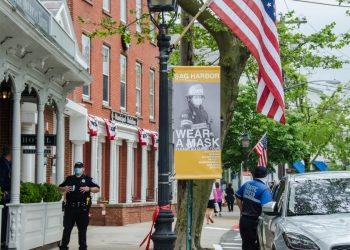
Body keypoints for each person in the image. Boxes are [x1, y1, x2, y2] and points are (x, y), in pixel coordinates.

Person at [59, 162, 100, 250]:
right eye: (76, 167)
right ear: (74, 168)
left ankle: (83, 247)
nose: (78, 169)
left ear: (83, 169)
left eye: (79, 167)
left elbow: (97, 189)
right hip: (70, 208)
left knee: (82, 229)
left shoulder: (88, 179)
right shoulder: (69, 179)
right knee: (67, 228)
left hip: (83, 209)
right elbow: (59, 188)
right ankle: (63, 247)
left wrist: (88, 188)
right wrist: (64, 188)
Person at [235, 166, 272, 250]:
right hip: (255, 222)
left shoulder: (247, 184)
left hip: (244, 220)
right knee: (254, 246)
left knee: (246, 245)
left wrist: (242, 210)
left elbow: (237, 196)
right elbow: (267, 208)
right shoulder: (265, 190)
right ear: (266, 175)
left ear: (254, 175)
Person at [0, 145, 11, 247]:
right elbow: (2, 179)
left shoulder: (8, 163)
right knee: (4, 216)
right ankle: (3, 239)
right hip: (5, 193)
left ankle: (4, 238)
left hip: (7, 192)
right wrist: (4, 191)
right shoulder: (3, 164)